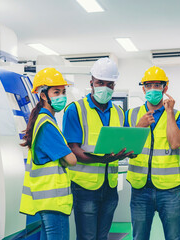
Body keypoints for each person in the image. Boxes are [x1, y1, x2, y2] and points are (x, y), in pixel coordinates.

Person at [62, 57, 133, 240]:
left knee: (102, 237)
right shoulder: (75, 110)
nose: (105, 87)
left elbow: (121, 143)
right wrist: (103, 159)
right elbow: (73, 150)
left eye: (109, 84)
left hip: (109, 186)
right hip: (85, 188)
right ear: (91, 82)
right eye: (100, 82)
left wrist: (128, 151)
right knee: (87, 237)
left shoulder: (119, 112)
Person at [125, 66, 180, 240]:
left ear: (165, 88)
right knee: (139, 237)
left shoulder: (177, 115)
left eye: (157, 85)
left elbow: (175, 142)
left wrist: (168, 113)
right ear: (143, 88)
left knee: (174, 237)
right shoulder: (131, 114)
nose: (152, 89)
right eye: (148, 85)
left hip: (169, 190)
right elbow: (125, 150)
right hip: (140, 188)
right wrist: (139, 126)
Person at [19, 68, 77, 240]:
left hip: (46, 201)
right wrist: (66, 157)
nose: (61, 96)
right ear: (43, 95)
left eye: (63, 91)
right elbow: (71, 159)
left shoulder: (44, 120)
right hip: (53, 202)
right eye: (56, 92)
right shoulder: (46, 124)